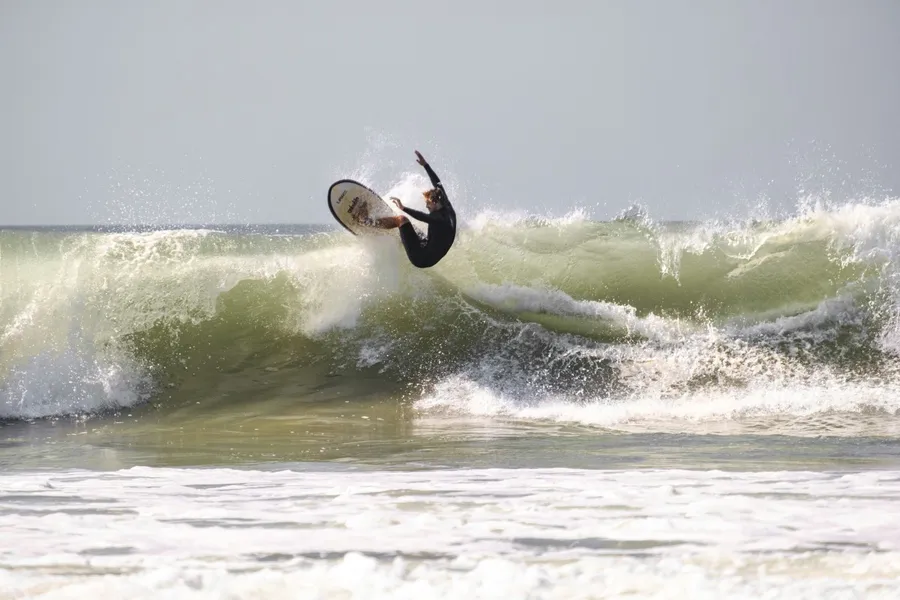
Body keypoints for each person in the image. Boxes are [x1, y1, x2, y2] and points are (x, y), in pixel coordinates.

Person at [355, 150, 457, 269]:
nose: (426, 206)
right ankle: (400, 236)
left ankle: (366, 221)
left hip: (421, 258)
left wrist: (404, 208)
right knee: (411, 228)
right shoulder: (446, 205)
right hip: (429, 247)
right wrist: (426, 165)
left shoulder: (438, 218)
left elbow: (423, 217)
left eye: (428, 204)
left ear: (435, 202)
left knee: (402, 219)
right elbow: (438, 184)